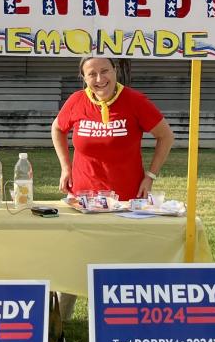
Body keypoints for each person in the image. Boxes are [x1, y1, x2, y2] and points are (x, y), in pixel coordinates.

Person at [50, 55, 175, 327]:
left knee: (120, 267)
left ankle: (120, 326)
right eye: (91, 74)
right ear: (83, 78)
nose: (99, 79)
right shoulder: (76, 101)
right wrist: (65, 167)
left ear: (116, 71)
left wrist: (150, 176)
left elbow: (166, 136)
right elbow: (57, 129)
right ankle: (58, 332)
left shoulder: (134, 101)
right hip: (83, 202)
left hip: (126, 204)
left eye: (104, 71)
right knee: (71, 265)